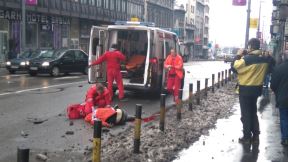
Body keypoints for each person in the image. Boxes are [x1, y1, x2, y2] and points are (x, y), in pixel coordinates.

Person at [233, 38, 270, 144]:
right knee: (253, 112)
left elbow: (235, 66)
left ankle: (247, 137)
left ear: (250, 47)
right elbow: (271, 64)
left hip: (245, 89)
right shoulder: (264, 59)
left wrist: (238, 55)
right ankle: (256, 135)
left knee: (246, 114)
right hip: (256, 89)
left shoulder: (247, 59)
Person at [270, 57, 288, 146]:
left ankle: (285, 138)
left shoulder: (279, 68)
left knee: (284, 118)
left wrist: (278, 92)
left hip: (283, 98)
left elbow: (273, 85)